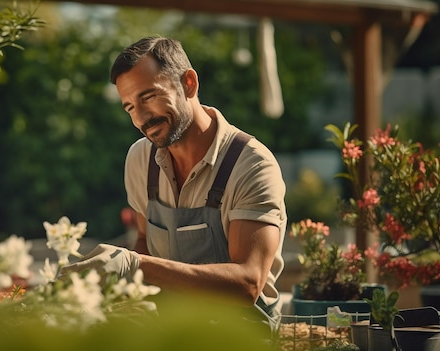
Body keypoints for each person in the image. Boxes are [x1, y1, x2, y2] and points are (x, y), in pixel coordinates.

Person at [63, 36, 287, 332]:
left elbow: (247, 285)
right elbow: (144, 241)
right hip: (170, 328)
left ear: (189, 83)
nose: (141, 118)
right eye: (129, 107)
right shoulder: (140, 159)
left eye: (148, 97)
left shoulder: (251, 165)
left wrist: (135, 266)